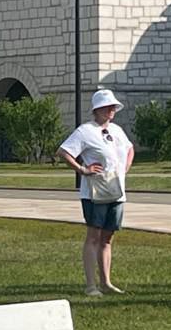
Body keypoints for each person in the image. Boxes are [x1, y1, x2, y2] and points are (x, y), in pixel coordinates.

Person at [57, 89, 136, 297]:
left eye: (113, 107)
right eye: (108, 107)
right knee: (94, 236)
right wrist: (83, 170)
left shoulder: (117, 131)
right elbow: (64, 152)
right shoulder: (85, 131)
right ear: (98, 109)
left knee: (107, 237)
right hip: (94, 192)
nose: (112, 110)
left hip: (116, 191)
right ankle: (91, 285)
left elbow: (129, 149)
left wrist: (125, 168)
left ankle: (106, 282)